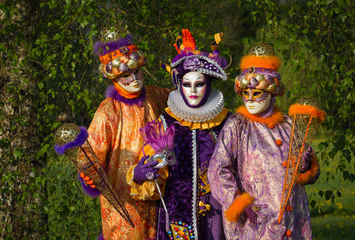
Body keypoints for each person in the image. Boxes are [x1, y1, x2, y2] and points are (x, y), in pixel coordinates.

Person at [207, 43, 321, 239]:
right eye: (245, 93)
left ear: (272, 92)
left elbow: (306, 175)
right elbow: (217, 168)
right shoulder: (238, 125)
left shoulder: (288, 126)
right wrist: (237, 201)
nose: (250, 99)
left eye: (257, 93)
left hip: (292, 226)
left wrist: (307, 166)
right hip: (255, 225)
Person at [126, 29, 230, 240]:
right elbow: (154, 178)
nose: (192, 91)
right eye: (186, 84)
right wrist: (141, 175)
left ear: (209, 85)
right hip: (178, 221)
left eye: (199, 84)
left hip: (221, 220)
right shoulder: (166, 125)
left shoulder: (228, 124)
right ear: (179, 85)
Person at [77, 29, 170, 240]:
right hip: (125, 204)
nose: (135, 78)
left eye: (137, 72)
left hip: (160, 196)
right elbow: (90, 153)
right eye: (126, 75)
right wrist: (90, 174)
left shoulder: (156, 95)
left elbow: (182, 99)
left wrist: (185, 63)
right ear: (113, 78)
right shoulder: (108, 110)